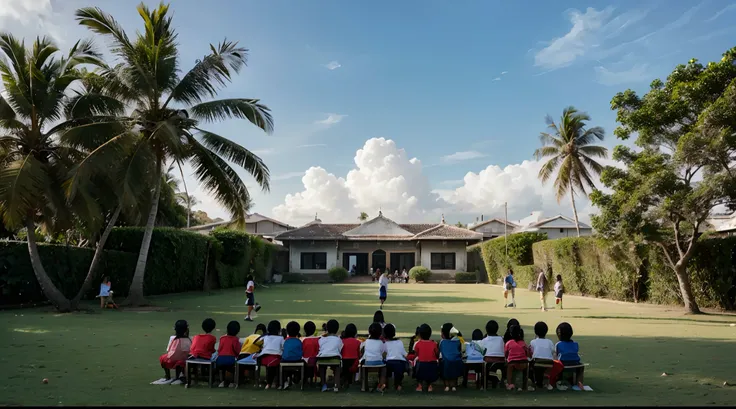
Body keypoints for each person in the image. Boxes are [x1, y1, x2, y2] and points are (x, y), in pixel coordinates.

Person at [155, 320, 191, 385]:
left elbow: (169, 350)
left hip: (172, 359)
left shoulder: (173, 338)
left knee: (163, 357)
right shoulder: (189, 339)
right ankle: (178, 376)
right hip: (183, 360)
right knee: (181, 360)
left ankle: (168, 376)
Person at [554, 322, 584, 391]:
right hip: (576, 364)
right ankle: (579, 382)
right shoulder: (575, 344)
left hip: (562, 365)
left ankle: (557, 380)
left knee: (555, 363)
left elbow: (555, 356)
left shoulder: (558, 344)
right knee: (581, 367)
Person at [317, 319, 343, 392]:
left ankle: (323, 385)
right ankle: (336, 385)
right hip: (335, 357)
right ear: (337, 329)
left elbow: (320, 348)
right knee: (337, 367)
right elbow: (340, 348)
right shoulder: (338, 339)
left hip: (322, 357)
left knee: (322, 367)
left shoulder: (321, 339)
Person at [529, 321, 557, 390]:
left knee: (530, 365)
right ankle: (545, 381)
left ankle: (535, 382)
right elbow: (553, 351)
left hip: (537, 363)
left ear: (535, 332)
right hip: (549, 363)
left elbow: (531, 352)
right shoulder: (549, 341)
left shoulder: (533, 341)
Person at [361, 323, 387, 392]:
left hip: (367, 363)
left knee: (363, 366)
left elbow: (362, 350)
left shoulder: (366, 342)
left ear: (369, 332)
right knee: (384, 369)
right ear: (380, 333)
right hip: (379, 363)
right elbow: (382, 352)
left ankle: (364, 385)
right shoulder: (381, 342)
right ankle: (381, 385)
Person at [413, 324, 439, 392]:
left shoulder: (417, 344)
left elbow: (415, 355)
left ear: (420, 334)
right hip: (432, 367)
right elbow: (437, 355)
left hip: (421, 367)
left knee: (417, 363)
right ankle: (430, 385)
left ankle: (420, 385)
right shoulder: (434, 343)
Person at [504, 324, 531, 391]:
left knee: (509, 367)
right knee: (525, 367)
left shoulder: (509, 343)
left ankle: (509, 384)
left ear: (510, 333)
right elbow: (527, 353)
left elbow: (506, 354)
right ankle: (524, 385)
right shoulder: (523, 343)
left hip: (512, 364)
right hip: (523, 364)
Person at [439, 323, 464, 392]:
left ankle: (447, 386)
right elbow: (462, 346)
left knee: (444, 364)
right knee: (454, 366)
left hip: (446, 363)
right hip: (457, 362)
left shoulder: (442, 342)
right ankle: (453, 386)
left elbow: (441, 353)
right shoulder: (458, 340)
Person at [260, 320, 285, 389]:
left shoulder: (265, 337)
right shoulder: (281, 338)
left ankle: (269, 382)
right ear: (279, 329)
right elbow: (283, 348)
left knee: (271, 365)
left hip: (264, 358)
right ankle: (272, 382)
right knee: (277, 363)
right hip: (275, 359)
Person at [481, 320, 506, 389]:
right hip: (501, 364)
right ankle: (498, 377)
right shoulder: (501, 339)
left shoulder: (483, 341)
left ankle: (484, 385)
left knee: (483, 363)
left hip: (488, 365)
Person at [216, 321, 242, 388]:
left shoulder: (222, 338)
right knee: (233, 367)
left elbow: (219, 349)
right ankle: (231, 382)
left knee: (223, 368)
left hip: (220, 359)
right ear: (237, 331)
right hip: (230, 360)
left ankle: (222, 381)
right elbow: (237, 351)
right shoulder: (235, 339)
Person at [383, 324, 408, 391]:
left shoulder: (385, 343)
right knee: (399, 374)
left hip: (389, 363)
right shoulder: (399, 342)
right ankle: (398, 384)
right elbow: (405, 354)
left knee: (385, 371)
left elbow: (383, 354)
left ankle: (386, 384)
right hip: (400, 363)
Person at [281, 321, 304, 390]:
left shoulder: (284, 340)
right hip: (297, 359)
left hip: (285, 360)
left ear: (287, 331)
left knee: (282, 365)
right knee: (304, 364)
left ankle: (285, 381)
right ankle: (297, 377)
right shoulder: (299, 341)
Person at [340, 324, 361, 388]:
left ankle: (344, 380)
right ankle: (353, 381)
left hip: (343, 364)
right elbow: (359, 355)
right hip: (354, 364)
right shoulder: (358, 342)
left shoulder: (342, 341)